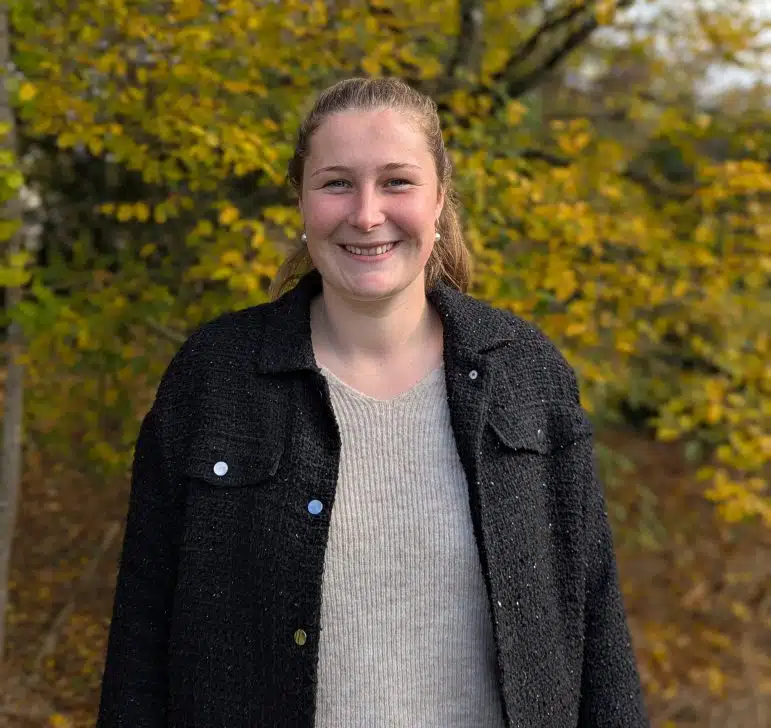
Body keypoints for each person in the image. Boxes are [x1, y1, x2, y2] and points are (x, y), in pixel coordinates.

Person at [96, 76, 650, 727]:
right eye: (336, 183)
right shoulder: (215, 377)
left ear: (439, 198)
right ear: (301, 202)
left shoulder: (526, 373)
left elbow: (595, 624)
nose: (365, 214)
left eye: (396, 182)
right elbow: (140, 636)